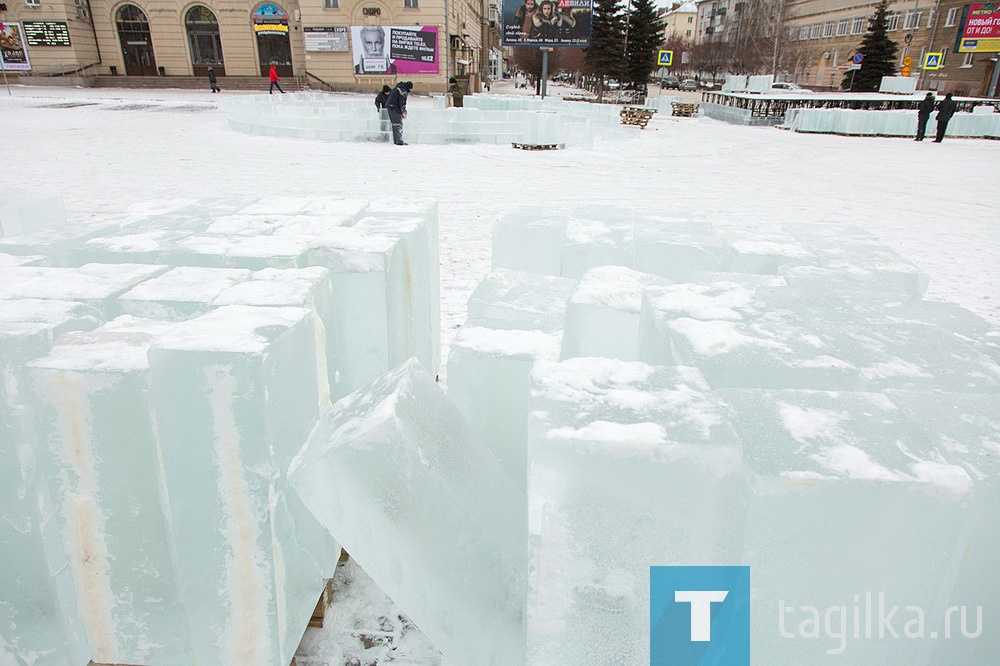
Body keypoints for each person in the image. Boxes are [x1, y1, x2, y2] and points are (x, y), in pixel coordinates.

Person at [385, 80, 413, 145]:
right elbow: (402, 102)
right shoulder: (402, 91)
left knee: (395, 124)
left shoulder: (398, 88)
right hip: (395, 108)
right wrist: (403, 111)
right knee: (398, 124)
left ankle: (396, 140)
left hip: (390, 107)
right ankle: (399, 141)